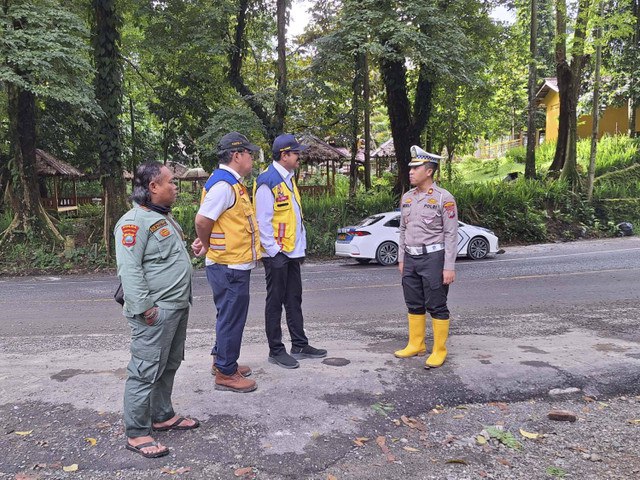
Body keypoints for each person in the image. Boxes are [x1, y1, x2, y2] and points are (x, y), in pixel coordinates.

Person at [115, 162, 199, 459]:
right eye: (170, 182)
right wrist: (146, 310)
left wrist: (194, 251)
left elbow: (164, 261)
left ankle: (162, 415)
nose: (174, 187)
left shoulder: (162, 219)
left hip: (176, 307)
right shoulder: (133, 222)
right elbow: (130, 270)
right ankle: (137, 432)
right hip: (156, 312)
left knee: (169, 364)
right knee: (145, 371)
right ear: (153, 186)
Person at [193, 132, 260, 393]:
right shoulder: (224, 186)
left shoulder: (229, 183)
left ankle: (222, 361)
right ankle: (226, 372)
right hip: (229, 264)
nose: (252, 158)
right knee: (232, 317)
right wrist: (205, 242)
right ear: (236, 156)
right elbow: (202, 220)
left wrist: (205, 241)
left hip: (228, 263)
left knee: (227, 315)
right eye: (249, 154)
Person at [253, 133, 327, 369]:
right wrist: (274, 252)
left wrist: (298, 248)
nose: (299, 157)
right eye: (296, 153)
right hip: (277, 254)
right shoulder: (268, 180)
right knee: (275, 302)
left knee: (294, 299)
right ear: (284, 155)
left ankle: (299, 344)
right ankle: (276, 350)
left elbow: (292, 215)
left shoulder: (288, 178)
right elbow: (262, 221)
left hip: (292, 252)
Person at [395, 146, 458, 369]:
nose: (410, 171)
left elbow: (451, 233)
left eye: (416, 168)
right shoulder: (407, 197)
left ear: (429, 171)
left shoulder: (444, 198)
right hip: (411, 259)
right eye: (410, 168)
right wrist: (402, 258)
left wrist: (449, 266)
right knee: (413, 303)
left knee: (437, 305)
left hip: (434, 258)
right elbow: (403, 229)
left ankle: (439, 350)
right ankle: (416, 344)